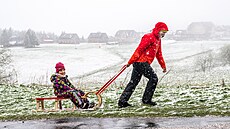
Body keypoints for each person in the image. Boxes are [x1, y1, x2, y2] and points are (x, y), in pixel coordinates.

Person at [118, 22, 168, 108]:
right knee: (153, 78)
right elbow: (139, 50)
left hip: (141, 63)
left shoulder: (158, 40)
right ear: (157, 30)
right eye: (162, 31)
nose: (163, 33)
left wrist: (163, 66)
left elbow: (158, 54)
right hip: (141, 62)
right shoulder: (148, 37)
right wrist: (130, 62)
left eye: (165, 32)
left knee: (133, 82)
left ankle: (122, 102)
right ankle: (146, 100)